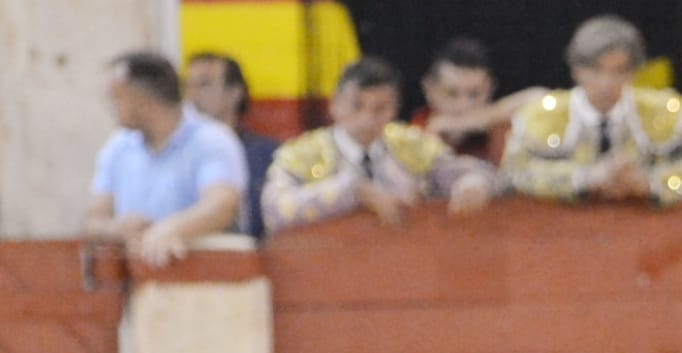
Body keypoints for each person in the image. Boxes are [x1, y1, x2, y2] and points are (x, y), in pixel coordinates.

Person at [501, 14, 682, 207]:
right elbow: (514, 172)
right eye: (596, 70)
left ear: (634, 73)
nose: (607, 83)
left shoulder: (665, 111)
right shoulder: (542, 115)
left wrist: (650, 183)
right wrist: (584, 178)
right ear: (576, 71)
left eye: (619, 71)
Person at [261, 55, 500, 235]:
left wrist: (473, 184)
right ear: (334, 105)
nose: (367, 119)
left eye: (380, 108)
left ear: (394, 109)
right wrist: (352, 191)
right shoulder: (304, 154)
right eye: (357, 105)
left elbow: (484, 174)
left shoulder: (411, 146)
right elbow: (274, 211)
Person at [85, 51, 247, 268]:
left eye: (117, 97)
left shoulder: (212, 140)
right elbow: (93, 220)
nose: (112, 106)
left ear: (143, 100)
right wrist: (116, 228)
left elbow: (222, 205)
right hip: (135, 283)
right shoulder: (118, 146)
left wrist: (172, 229)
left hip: (205, 277)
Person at [185, 52, 279, 239]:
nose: (191, 96)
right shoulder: (176, 154)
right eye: (187, 86)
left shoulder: (269, 156)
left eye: (204, 85)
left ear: (234, 93)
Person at [411, 36, 545, 166]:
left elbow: (540, 97)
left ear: (490, 89)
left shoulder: (498, 128)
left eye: (474, 94)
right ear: (428, 90)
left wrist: (462, 123)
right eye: (452, 94)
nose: (463, 105)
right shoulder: (415, 132)